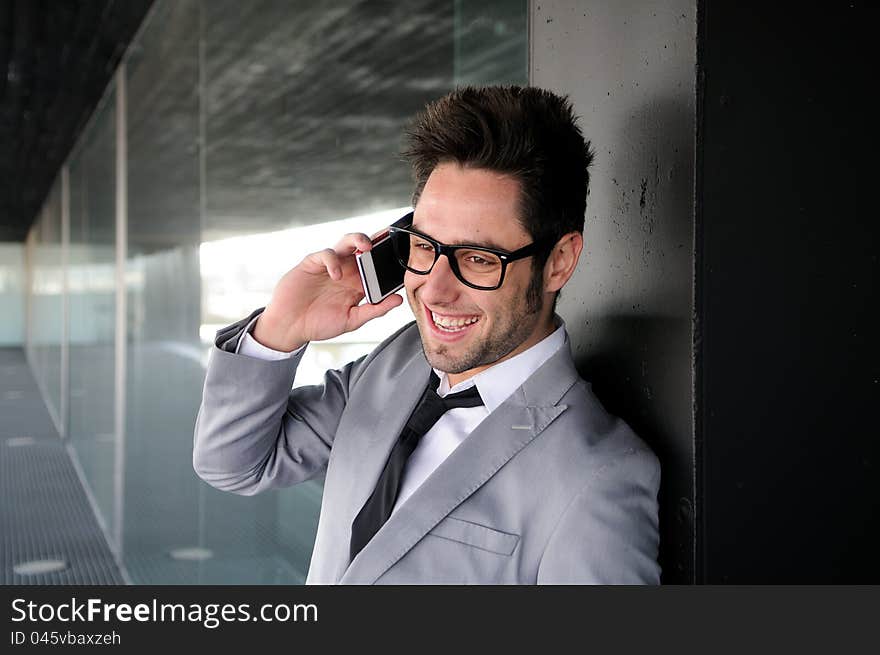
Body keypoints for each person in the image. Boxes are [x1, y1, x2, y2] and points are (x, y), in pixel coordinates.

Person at [193, 85, 660, 584]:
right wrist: (280, 329)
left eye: (479, 258)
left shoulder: (600, 475)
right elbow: (234, 464)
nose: (434, 290)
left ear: (559, 262)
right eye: (423, 244)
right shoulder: (395, 364)